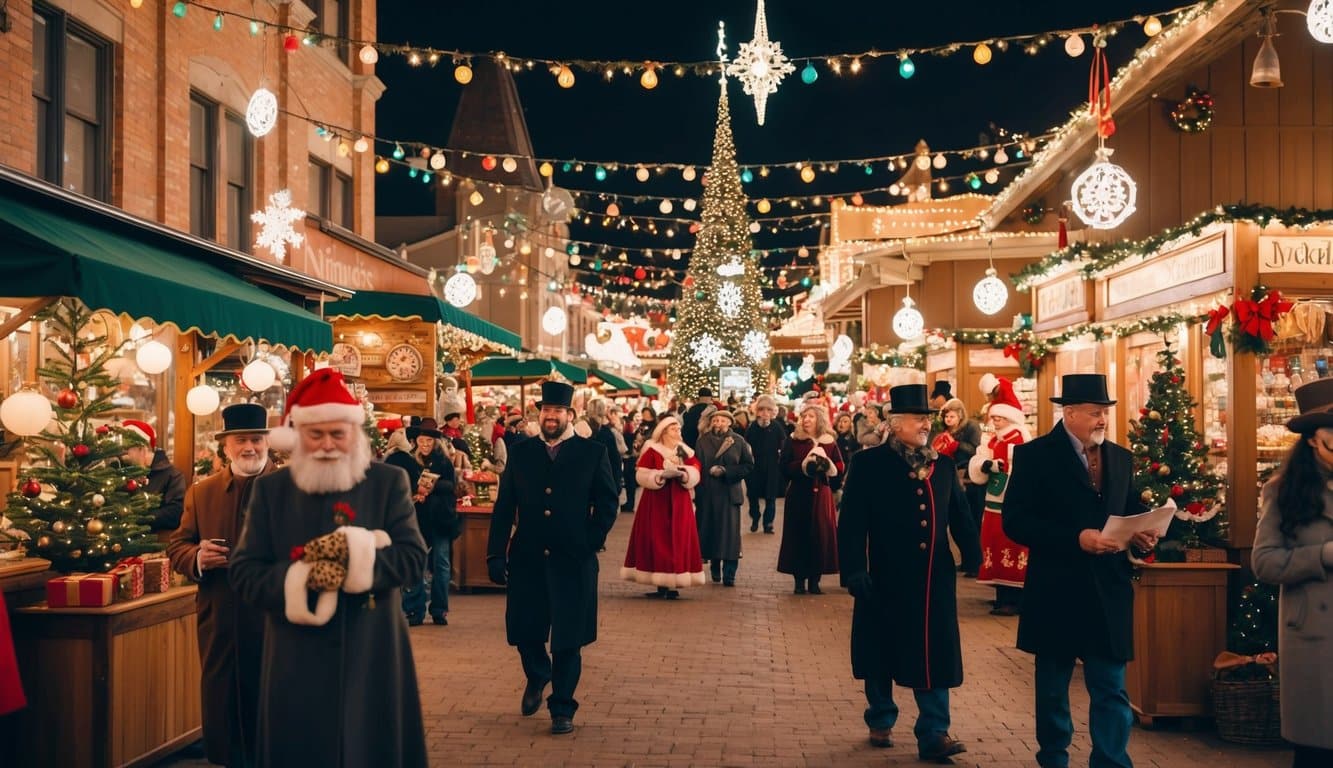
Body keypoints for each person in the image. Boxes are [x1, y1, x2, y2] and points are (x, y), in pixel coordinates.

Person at [229, 369, 428, 767]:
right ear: (297, 436)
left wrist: (356, 562)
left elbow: (411, 558)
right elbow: (245, 571)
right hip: (295, 658)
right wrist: (300, 577)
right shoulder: (271, 490)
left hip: (372, 651)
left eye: (337, 434)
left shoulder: (389, 482)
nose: (326, 445)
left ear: (356, 434)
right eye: (315, 435)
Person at [1003, 373, 1152, 768]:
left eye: (1105, 412)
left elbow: (1129, 507)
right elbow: (1015, 522)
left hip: (1109, 590)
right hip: (1057, 590)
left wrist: (1141, 532)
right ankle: (1053, 758)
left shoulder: (1121, 457)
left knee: (1111, 689)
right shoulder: (1035, 456)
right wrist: (1076, 538)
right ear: (1068, 412)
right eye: (1094, 412)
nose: (1102, 419)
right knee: (1052, 689)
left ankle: (1111, 760)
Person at [838, 384, 975, 762]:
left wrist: (975, 553)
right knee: (880, 650)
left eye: (927, 419)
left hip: (933, 579)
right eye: (918, 419)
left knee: (934, 653)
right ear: (895, 423)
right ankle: (881, 715)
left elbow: (959, 514)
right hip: (883, 576)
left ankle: (934, 732)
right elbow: (850, 523)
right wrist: (853, 569)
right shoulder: (869, 464)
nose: (925, 425)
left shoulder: (943, 466)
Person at [486, 381, 619, 736]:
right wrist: (496, 552)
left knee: (568, 638)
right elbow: (504, 508)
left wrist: (590, 539)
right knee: (523, 630)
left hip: (573, 560)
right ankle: (537, 672)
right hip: (528, 556)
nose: (551, 417)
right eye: (546, 411)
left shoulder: (592, 453)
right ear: (539, 414)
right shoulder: (521, 451)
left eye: (558, 411)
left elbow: (608, 502)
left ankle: (562, 707)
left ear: (569, 415)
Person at [166, 403, 277, 766]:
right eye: (241, 440)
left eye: (257, 440)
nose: (250, 447)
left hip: (274, 620)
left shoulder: (291, 489)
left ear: (267, 443)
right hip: (221, 620)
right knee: (223, 705)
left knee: (272, 702)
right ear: (225, 446)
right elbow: (178, 545)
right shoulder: (203, 492)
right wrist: (197, 556)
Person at [1252, 378, 1333, 768]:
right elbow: (1265, 562)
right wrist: (1323, 556)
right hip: (1316, 640)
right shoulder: (1285, 492)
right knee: (1317, 746)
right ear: (1313, 440)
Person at [967, 376, 1031, 615]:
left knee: (1011, 546)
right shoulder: (993, 439)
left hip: (1012, 503)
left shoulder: (1020, 438)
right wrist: (984, 464)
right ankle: (1001, 593)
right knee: (993, 544)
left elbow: (1024, 469)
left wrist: (1002, 466)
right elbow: (979, 462)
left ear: (1010, 417)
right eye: (993, 417)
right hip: (993, 502)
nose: (994, 421)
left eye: (998, 417)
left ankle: (1014, 598)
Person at [621, 416, 705, 597]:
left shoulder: (685, 450)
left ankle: (674, 582)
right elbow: (641, 474)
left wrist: (684, 475)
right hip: (656, 501)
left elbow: (696, 470)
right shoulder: (652, 450)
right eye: (674, 429)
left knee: (679, 538)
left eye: (678, 429)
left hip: (680, 500)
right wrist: (659, 476)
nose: (678, 432)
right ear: (664, 431)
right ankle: (661, 584)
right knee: (657, 538)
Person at [385, 419, 458, 627]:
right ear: (416, 441)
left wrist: (433, 489)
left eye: (428, 441)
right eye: (421, 441)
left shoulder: (444, 462)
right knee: (417, 563)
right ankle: (414, 610)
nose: (425, 444)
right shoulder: (410, 461)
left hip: (440, 520)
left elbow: (452, 486)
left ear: (435, 443)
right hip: (417, 520)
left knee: (441, 565)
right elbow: (403, 485)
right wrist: (416, 492)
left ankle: (439, 610)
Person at [777, 402, 843, 595]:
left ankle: (815, 580)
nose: (806, 420)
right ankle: (799, 581)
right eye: (804, 416)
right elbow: (784, 466)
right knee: (799, 535)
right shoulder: (793, 440)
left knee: (820, 536)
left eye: (811, 416)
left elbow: (839, 465)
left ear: (819, 420)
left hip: (822, 496)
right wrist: (803, 466)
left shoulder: (828, 441)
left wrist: (829, 466)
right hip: (799, 495)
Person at [694, 409, 755, 587]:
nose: (718, 423)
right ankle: (714, 567)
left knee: (729, 535)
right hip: (707, 494)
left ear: (729, 423)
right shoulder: (703, 441)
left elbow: (748, 465)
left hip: (729, 493)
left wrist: (727, 471)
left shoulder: (738, 441)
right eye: (715, 420)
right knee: (711, 532)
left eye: (722, 420)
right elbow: (696, 463)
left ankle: (729, 573)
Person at [122, 419, 187, 533]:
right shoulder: (126, 473)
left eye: (127, 450)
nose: (124, 456)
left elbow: (175, 513)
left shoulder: (172, 476)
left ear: (142, 449)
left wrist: (137, 517)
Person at [745, 395, 787, 534]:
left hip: (772, 466)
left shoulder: (776, 426)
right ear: (757, 411)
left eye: (768, 410)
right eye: (762, 409)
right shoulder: (752, 427)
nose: (765, 413)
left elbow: (783, 443)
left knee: (771, 497)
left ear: (772, 412)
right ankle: (755, 517)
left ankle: (768, 523)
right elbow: (746, 445)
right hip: (755, 466)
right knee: (753, 495)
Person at [585, 398, 625, 509]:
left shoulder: (582, 428)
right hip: (603, 479)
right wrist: (617, 485)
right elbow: (615, 460)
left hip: (585, 482)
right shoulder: (606, 432)